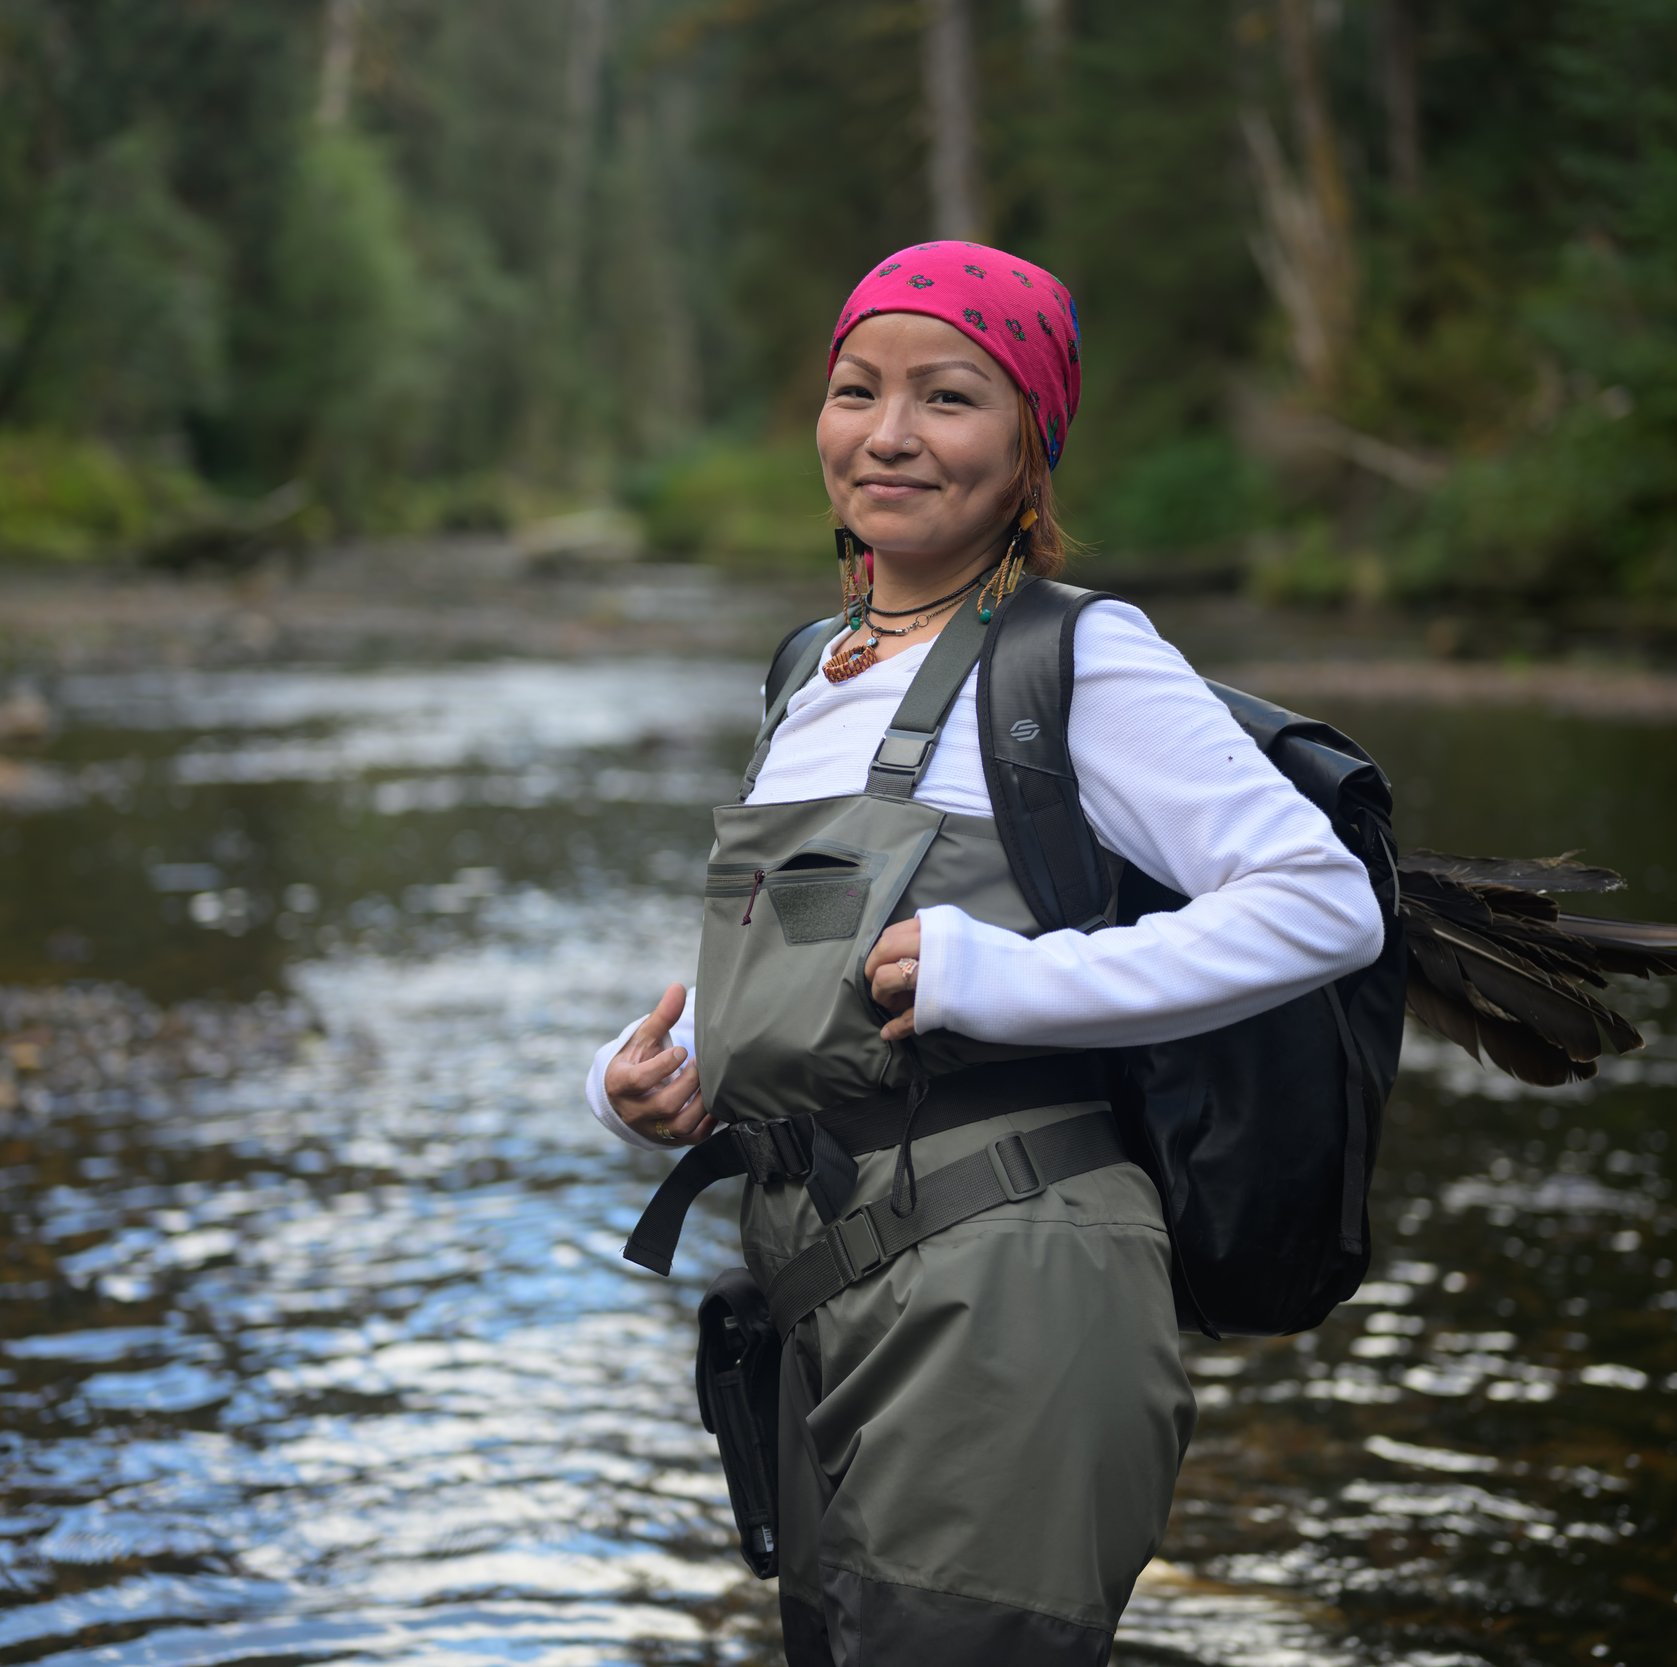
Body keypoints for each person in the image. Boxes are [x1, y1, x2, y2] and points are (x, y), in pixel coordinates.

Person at [584, 241, 1384, 1666]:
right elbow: (801, 952)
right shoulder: (807, 668)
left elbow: (1323, 901)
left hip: (1014, 1286)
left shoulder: (1080, 658)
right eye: (855, 390)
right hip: (825, 1287)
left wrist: (1008, 980)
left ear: (1031, 449)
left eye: (948, 397)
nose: (887, 435)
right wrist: (659, 1073)